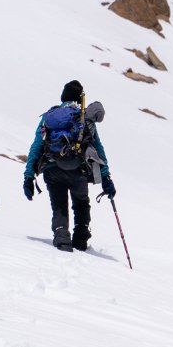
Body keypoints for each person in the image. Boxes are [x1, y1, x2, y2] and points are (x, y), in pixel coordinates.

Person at [23, 80, 114, 252]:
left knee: (58, 204)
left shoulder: (50, 117)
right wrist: (106, 177)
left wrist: (29, 176)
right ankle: (80, 237)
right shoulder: (84, 117)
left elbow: (37, 146)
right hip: (77, 170)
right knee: (81, 203)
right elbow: (98, 149)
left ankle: (61, 236)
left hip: (52, 168)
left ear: (63, 96)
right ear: (80, 99)